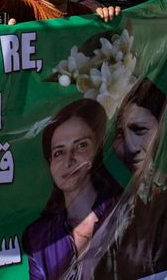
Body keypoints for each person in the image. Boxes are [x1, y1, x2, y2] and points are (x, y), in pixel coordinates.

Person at [80, 79, 167, 279]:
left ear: (161, 127)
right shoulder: (108, 205)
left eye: (140, 130)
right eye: (118, 134)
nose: (130, 146)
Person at [23, 99, 122, 280]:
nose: (69, 160)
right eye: (58, 152)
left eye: (81, 145)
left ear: (98, 151)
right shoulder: (38, 237)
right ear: (50, 163)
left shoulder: (125, 212)